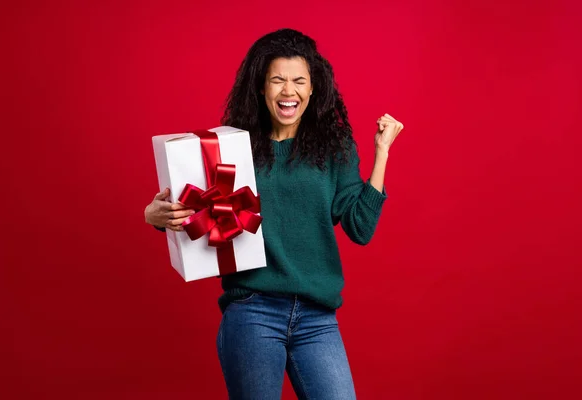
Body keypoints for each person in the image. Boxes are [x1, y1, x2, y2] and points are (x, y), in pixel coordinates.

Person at [144, 28, 404, 400]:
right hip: (253, 311)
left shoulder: (334, 148)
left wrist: (381, 154)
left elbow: (360, 228)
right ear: (261, 88)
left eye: (299, 81)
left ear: (313, 88)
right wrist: (154, 216)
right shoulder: (231, 147)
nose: (288, 91)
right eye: (277, 80)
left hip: (317, 317)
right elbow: (192, 210)